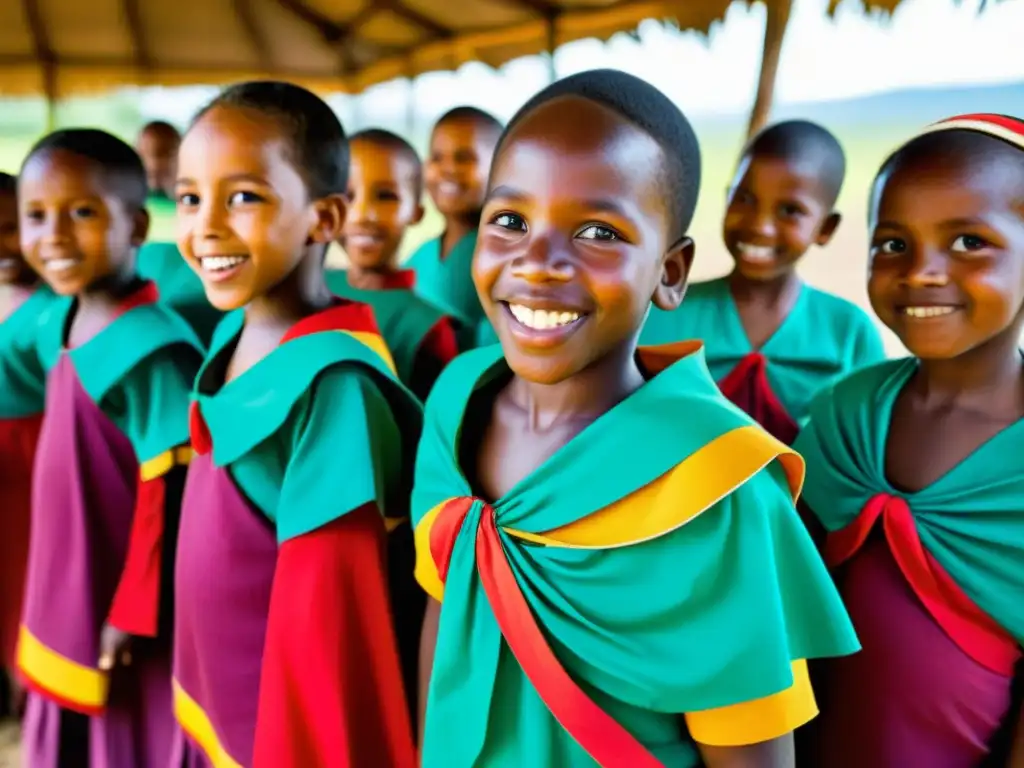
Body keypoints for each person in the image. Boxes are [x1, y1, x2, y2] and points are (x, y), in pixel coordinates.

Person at [412, 69, 859, 768]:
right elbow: (451, 610)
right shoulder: (455, 400)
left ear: (671, 272)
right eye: (509, 221)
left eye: (597, 231)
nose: (537, 262)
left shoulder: (717, 486)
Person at [172, 81, 421, 768]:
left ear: (324, 217)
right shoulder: (233, 331)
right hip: (216, 674)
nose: (206, 227)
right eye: (190, 197)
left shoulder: (335, 386)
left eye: (243, 197)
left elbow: (328, 623)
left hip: (279, 719)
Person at [794, 113, 1024, 768]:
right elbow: (780, 581)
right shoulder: (847, 412)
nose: (922, 271)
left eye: (969, 242)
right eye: (893, 244)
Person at [4, 130, 202, 767]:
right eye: (37, 216)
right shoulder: (57, 318)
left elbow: (170, 487)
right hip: (71, 563)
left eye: (82, 213)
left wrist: (133, 606)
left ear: (136, 224)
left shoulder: (152, 345)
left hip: (129, 591)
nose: (54, 236)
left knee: (128, 723)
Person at [641, 120, 884, 444]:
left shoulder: (848, 333)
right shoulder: (661, 312)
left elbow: (866, 443)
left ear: (826, 228)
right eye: (745, 199)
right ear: (727, 198)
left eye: (789, 210)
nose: (760, 226)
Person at [328, 129, 459, 400]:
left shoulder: (427, 328)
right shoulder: (314, 287)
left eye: (386, 196)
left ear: (416, 212)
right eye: (348, 195)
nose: (363, 215)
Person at [0, 171, 48, 717]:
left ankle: (28, 694)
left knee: (25, 577)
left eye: (15, 227)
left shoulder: (55, 310)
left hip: (34, 457)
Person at [405, 106, 502, 347]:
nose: (447, 169)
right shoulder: (420, 257)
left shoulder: (508, 256)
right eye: (437, 158)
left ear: (503, 167)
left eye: (464, 158)